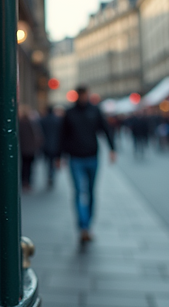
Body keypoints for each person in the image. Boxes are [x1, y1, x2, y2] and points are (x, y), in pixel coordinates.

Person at [60, 85, 117, 245]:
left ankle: (88, 224)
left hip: (92, 157)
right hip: (75, 158)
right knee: (79, 191)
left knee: (91, 191)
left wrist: (113, 149)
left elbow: (106, 129)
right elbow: (62, 135)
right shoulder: (70, 113)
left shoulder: (95, 110)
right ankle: (83, 226)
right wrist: (59, 156)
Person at [19, 105, 43, 191]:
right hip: (30, 149)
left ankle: (24, 181)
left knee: (24, 166)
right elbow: (37, 135)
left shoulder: (20, 123)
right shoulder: (31, 123)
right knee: (29, 166)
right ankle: (28, 182)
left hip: (23, 149)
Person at [39, 106, 63, 188]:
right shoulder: (57, 120)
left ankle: (49, 174)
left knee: (47, 161)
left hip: (45, 144)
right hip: (55, 144)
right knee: (52, 162)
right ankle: (51, 174)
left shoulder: (43, 120)